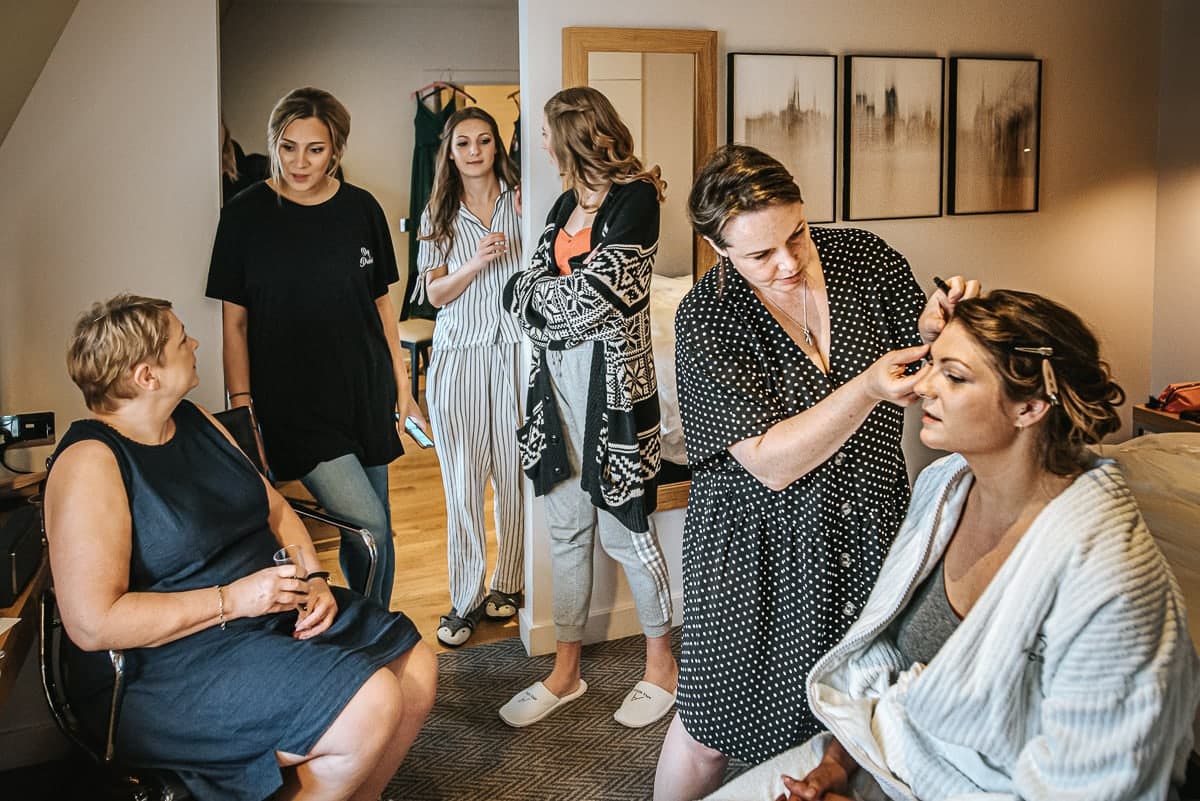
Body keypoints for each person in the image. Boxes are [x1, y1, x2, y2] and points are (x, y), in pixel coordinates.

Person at [703, 289, 1200, 801]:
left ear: (1029, 406)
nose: (924, 387)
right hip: (884, 748)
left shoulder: (1111, 584)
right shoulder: (944, 485)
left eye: (954, 376)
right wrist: (836, 765)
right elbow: (886, 655)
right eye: (932, 364)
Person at [654, 145, 975, 799]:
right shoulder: (709, 316)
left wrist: (937, 326)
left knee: (843, 707)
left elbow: (919, 343)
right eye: (760, 255)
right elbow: (770, 462)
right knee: (713, 723)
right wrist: (864, 389)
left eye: (796, 233)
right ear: (719, 250)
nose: (789, 262)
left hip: (867, 523)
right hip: (755, 546)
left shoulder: (864, 259)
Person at [43, 295, 437, 801]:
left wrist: (313, 577)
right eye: (181, 339)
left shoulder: (196, 421)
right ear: (147, 376)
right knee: (372, 701)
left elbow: (275, 511)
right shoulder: (90, 463)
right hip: (170, 664)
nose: (196, 344)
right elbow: (93, 623)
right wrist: (234, 599)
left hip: (267, 615)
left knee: (416, 671)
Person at [207, 87, 426, 607]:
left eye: (315, 149)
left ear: (336, 151)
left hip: (364, 389)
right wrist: (245, 412)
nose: (299, 162)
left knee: (377, 531)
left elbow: (381, 307)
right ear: (273, 145)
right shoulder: (245, 216)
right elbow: (234, 325)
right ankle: (367, 634)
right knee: (368, 524)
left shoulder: (361, 209)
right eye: (287, 147)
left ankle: (372, 632)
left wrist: (404, 389)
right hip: (292, 402)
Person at [501, 86, 677, 729]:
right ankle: (566, 672)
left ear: (572, 135)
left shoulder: (637, 199)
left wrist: (542, 300)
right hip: (553, 392)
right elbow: (518, 294)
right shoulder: (561, 204)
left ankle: (663, 666)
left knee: (626, 533)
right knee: (567, 531)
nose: (538, 145)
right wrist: (545, 300)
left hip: (615, 393)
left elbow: (599, 300)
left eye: (544, 134)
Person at [415, 106, 525, 647]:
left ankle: (510, 582)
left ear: (497, 146)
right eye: (464, 143)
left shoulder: (524, 200)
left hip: (515, 355)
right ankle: (465, 598)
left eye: (484, 140)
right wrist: (475, 262)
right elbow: (434, 295)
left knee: (513, 475)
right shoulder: (437, 210)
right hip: (459, 356)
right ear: (450, 151)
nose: (475, 151)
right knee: (462, 482)